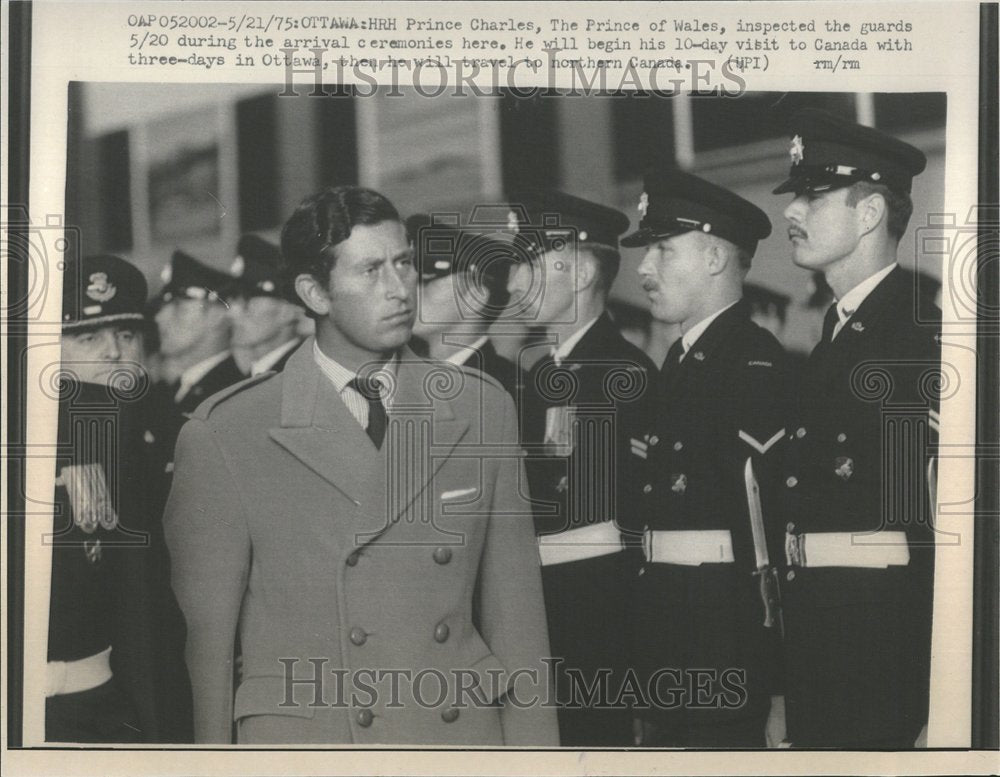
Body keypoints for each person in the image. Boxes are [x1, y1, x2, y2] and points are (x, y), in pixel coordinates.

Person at [163, 185, 557, 745]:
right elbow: (208, 649)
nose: (400, 289)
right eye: (371, 271)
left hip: (454, 737)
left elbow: (519, 625)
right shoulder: (227, 432)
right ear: (314, 293)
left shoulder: (481, 406)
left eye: (404, 264)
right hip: (314, 739)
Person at [772, 108, 940, 748]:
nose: (793, 212)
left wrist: (940, 694)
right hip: (821, 654)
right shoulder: (832, 341)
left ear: (870, 213)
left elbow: (942, 534)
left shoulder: (917, 340)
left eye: (813, 197)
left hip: (884, 664)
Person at [624, 170, 790, 747]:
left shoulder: (751, 365)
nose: (644, 270)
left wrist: (777, 684)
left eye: (663, 250)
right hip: (673, 638)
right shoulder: (683, 361)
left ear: (716, 257)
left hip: (727, 648)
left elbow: (768, 535)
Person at [505, 190, 656, 747]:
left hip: (603, 632)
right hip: (542, 621)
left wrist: (640, 671)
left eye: (529, 266)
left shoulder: (625, 374)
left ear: (584, 270)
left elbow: (642, 529)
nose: (513, 284)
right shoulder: (539, 376)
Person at [49, 253, 191, 742]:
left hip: (120, 694)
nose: (113, 352)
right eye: (89, 337)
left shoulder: (173, 436)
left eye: (126, 336)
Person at [406, 213, 517, 396]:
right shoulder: (402, 384)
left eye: (426, 282)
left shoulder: (507, 390)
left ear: (475, 297)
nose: (407, 293)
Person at [154, 249, 246, 412]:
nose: (159, 317)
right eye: (163, 306)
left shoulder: (231, 394)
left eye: (178, 305)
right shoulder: (177, 388)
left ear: (217, 315)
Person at [227, 234, 304, 376]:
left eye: (246, 300)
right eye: (232, 300)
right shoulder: (255, 373)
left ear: (288, 311)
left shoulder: (303, 375)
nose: (231, 313)